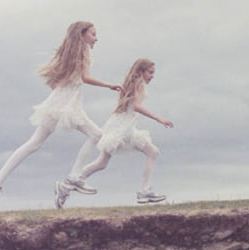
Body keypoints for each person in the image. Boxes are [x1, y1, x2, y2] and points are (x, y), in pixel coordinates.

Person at [0, 21, 122, 209]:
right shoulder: (83, 52)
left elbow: (63, 80)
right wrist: (109, 85)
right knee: (94, 135)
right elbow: (85, 77)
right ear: (82, 35)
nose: (96, 38)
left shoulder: (71, 52)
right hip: (66, 106)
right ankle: (72, 179)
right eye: (93, 34)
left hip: (59, 103)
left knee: (34, 144)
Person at [56, 58, 173, 206]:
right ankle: (144, 191)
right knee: (153, 152)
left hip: (119, 125)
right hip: (123, 128)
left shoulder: (134, 83)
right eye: (150, 72)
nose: (152, 75)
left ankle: (66, 185)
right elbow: (136, 106)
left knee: (102, 163)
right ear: (141, 71)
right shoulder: (139, 84)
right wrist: (159, 118)